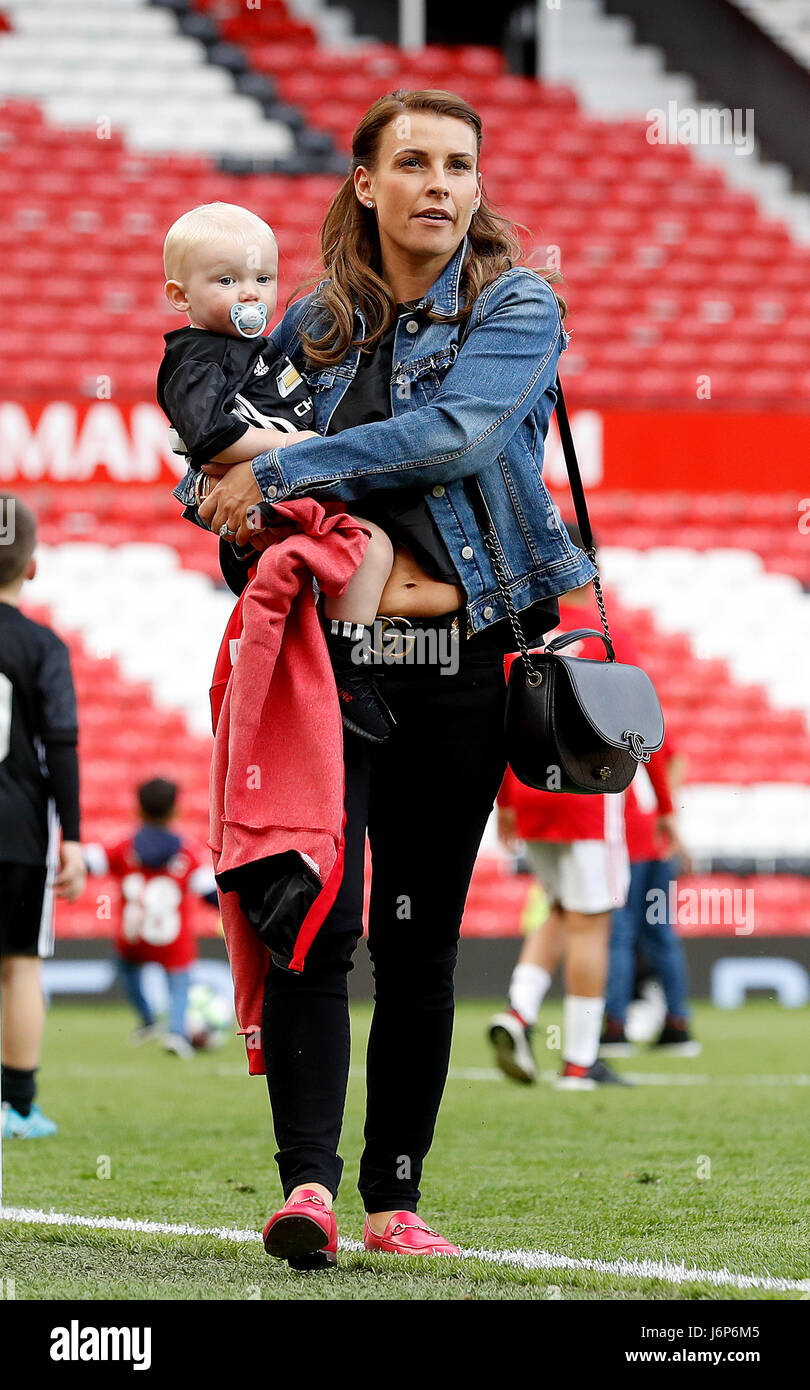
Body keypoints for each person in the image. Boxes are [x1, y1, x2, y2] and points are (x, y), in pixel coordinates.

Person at [192, 88, 597, 1265]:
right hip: (325, 668)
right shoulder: (308, 324)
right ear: (364, 183)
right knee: (314, 920)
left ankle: (394, 1199)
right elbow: (205, 478)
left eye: (458, 165)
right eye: (411, 162)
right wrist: (255, 504)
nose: (437, 183)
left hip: (461, 666)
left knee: (421, 939)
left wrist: (285, 471)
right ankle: (308, 1191)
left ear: (476, 185)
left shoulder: (517, 305)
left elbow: (461, 435)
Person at [158, 201, 397, 742]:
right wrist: (298, 446)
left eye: (263, 278)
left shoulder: (257, 348)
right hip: (266, 495)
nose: (250, 293)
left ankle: (334, 661)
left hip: (291, 485)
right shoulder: (195, 360)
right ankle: (347, 669)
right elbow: (212, 439)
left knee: (369, 548)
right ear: (180, 296)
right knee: (371, 548)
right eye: (227, 280)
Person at [488, 524, 635, 1090]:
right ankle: (579, 1060)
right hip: (587, 796)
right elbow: (638, 726)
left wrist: (506, 803)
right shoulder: (605, 633)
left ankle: (519, 1012)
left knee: (559, 907)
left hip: (530, 794)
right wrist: (665, 808)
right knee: (592, 923)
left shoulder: (524, 635)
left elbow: (505, 726)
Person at [0, 494, 86, 1139]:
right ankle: (19, 1106)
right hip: (17, 828)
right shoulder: (42, 645)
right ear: (31, 568)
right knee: (18, 965)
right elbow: (61, 745)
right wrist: (75, 838)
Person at [83, 778, 219, 1059]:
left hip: (132, 938)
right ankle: (176, 1033)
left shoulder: (123, 844)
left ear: (139, 809)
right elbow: (208, 892)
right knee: (180, 984)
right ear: (174, 811)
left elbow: (89, 861)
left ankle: (147, 1019)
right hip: (173, 939)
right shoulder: (187, 850)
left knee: (124, 967)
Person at [600, 744, 700, 1055]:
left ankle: (616, 1028)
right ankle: (677, 1025)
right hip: (659, 839)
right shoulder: (647, 721)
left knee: (619, 935)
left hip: (626, 842)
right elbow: (677, 757)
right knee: (661, 933)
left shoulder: (604, 717)